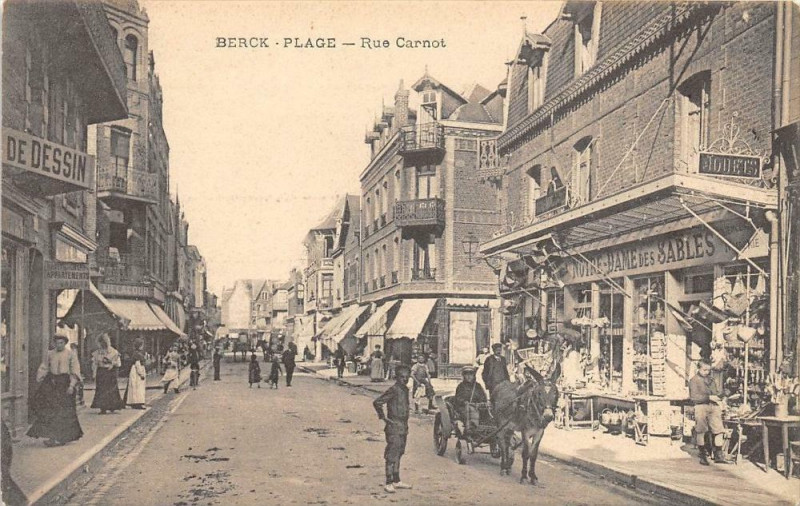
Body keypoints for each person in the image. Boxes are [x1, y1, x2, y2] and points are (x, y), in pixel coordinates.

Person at [27, 333, 83, 446]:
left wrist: (71, 386)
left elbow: (75, 370)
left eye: (61, 343)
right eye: (57, 343)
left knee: (64, 411)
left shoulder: (70, 354)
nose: (59, 345)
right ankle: (52, 437)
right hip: (52, 383)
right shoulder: (50, 354)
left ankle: (63, 437)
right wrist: (40, 377)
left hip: (65, 384)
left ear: (65, 343)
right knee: (51, 410)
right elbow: (44, 367)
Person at [373, 364, 413, 494]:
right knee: (392, 454)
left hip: (403, 425)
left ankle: (396, 480)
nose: (404, 379)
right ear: (397, 377)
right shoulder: (393, 389)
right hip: (394, 425)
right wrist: (384, 418)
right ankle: (388, 482)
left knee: (399, 452)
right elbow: (377, 402)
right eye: (402, 377)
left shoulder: (405, 390)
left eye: (407, 377)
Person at [689, 358, 728, 465]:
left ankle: (719, 455)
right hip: (701, 407)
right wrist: (709, 397)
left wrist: (722, 395)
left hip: (713, 407)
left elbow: (715, 393)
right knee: (701, 431)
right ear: (699, 368)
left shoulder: (711, 379)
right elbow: (694, 398)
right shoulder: (694, 380)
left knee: (718, 430)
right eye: (704, 370)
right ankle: (703, 455)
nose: (707, 372)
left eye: (708, 370)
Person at [91, 334, 124, 414]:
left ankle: (112, 406)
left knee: (111, 390)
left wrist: (112, 363)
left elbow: (118, 363)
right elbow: (94, 364)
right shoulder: (97, 352)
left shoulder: (113, 352)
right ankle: (103, 408)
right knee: (102, 390)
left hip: (110, 372)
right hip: (101, 372)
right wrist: (94, 374)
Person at [453, 366, 487, 432]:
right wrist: (464, 402)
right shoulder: (461, 386)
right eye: (466, 374)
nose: (469, 376)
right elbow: (458, 398)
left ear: (474, 376)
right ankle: (470, 429)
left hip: (477, 407)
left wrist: (482, 403)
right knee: (470, 411)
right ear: (464, 376)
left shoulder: (478, 386)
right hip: (463, 408)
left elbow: (483, 397)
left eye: (471, 374)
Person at [124, 337, 147, 409]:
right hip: (137, 372)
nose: (142, 347)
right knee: (138, 387)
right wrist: (141, 374)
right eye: (142, 345)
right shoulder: (138, 354)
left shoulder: (136, 353)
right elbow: (138, 364)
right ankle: (138, 403)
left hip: (134, 370)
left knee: (134, 387)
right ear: (139, 346)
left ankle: (134, 402)